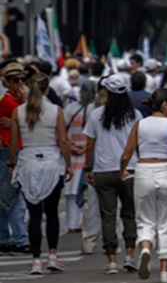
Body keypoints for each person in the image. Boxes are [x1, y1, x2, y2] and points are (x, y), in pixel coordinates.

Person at [120, 88, 167, 283]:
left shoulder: (139, 125)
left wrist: (122, 170)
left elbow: (127, 154)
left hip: (143, 170)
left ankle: (144, 248)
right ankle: (165, 271)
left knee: (144, 218)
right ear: (165, 104)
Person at [8, 73, 72, 274]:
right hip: (52, 160)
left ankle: (36, 259)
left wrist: (12, 163)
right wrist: (68, 164)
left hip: (27, 160)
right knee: (52, 213)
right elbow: (63, 140)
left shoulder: (18, 112)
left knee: (33, 214)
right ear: (47, 90)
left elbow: (13, 142)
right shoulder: (56, 111)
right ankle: (53, 256)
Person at [83, 75, 141, 274]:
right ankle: (130, 255)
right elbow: (140, 144)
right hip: (129, 169)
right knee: (130, 213)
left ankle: (111, 260)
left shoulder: (96, 114)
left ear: (106, 92)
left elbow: (89, 145)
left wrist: (88, 168)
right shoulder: (135, 115)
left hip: (103, 169)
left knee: (107, 215)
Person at [0, 62, 29, 255]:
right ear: (7, 82)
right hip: (10, 150)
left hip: (17, 148)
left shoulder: (15, 100)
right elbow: (33, 118)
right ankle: (18, 238)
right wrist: (26, 100)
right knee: (10, 196)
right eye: (15, 80)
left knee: (9, 195)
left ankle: (7, 237)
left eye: (22, 79)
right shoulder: (9, 101)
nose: (20, 83)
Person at [63, 80, 97, 234]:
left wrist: (70, 146)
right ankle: (86, 224)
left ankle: (72, 223)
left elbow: (61, 130)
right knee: (86, 192)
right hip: (87, 153)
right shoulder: (95, 110)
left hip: (71, 153)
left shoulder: (69, 108)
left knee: (70, 192)